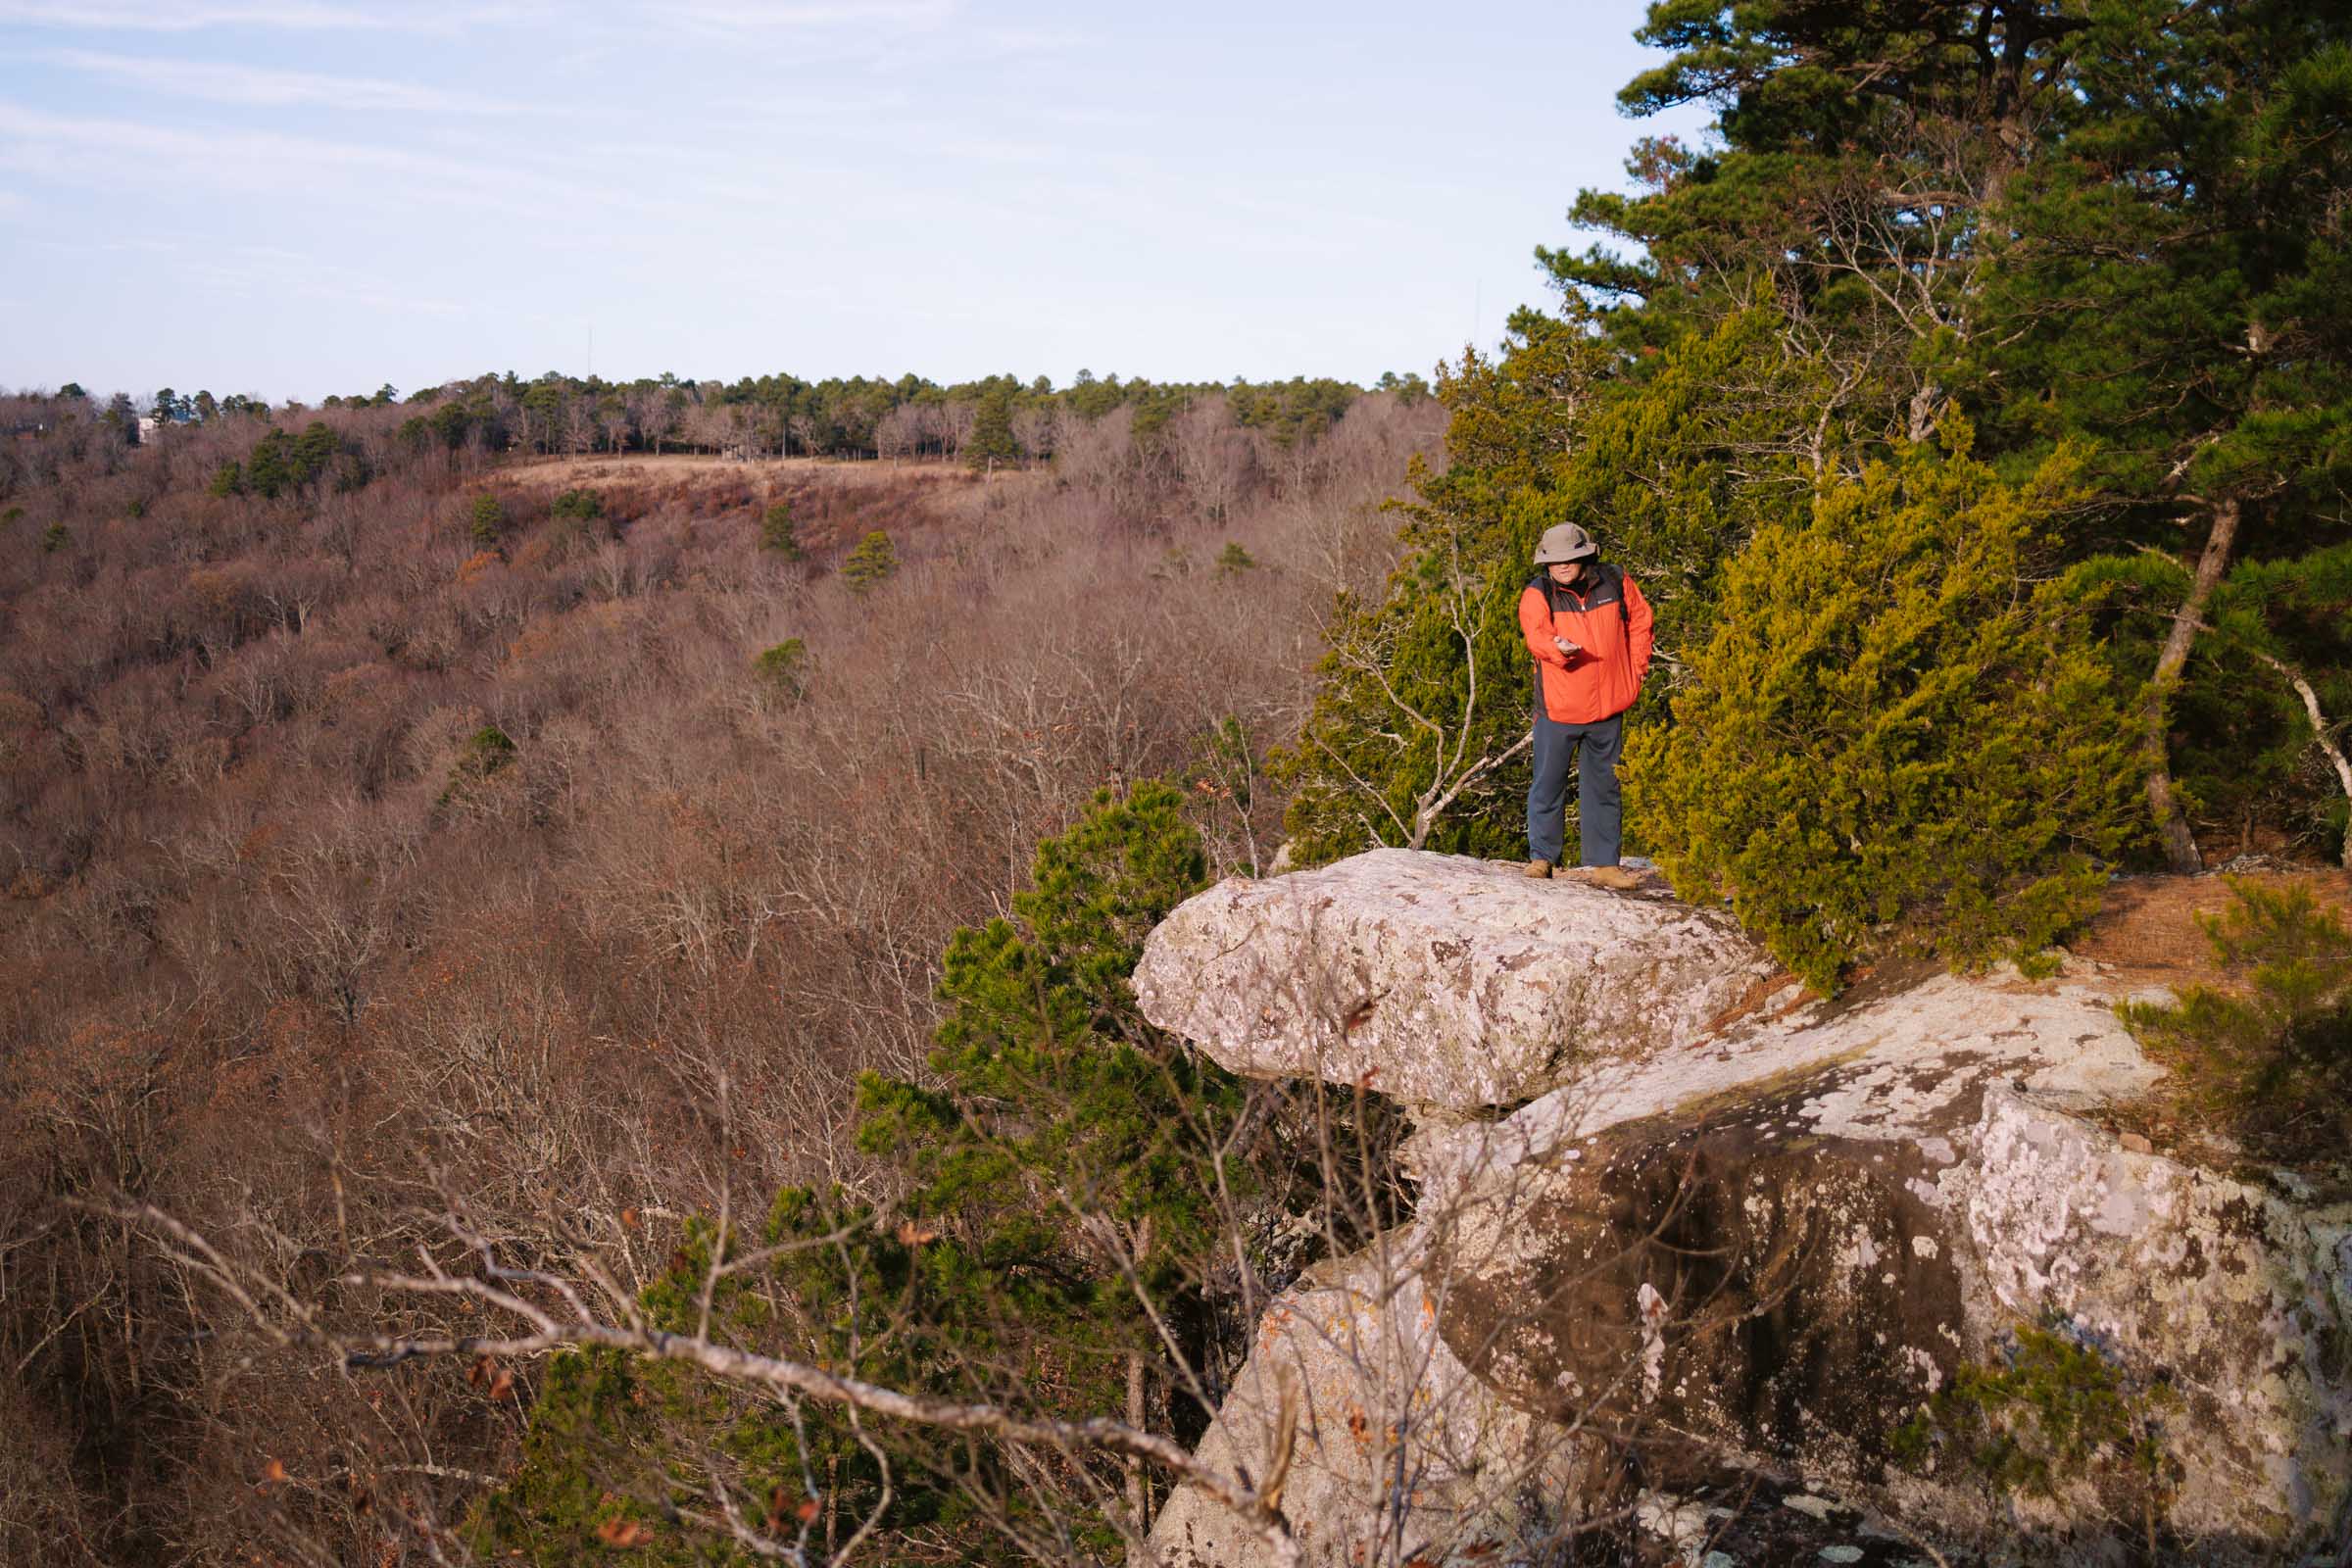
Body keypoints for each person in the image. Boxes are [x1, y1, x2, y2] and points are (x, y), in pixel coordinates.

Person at [1518, 521, 1653, 883]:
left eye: (1568, 558)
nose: (1561, 566)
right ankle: (1543, 859)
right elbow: (1536, 636)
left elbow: (1641, 622)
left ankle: (1605, 866)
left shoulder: (1615, 581)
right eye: (1553, 561)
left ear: (1585, 555)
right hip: (1558, 709)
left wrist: (1636, 671)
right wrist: (1556, 650)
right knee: (1548, 783)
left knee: (1605, 785)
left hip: (1609, 705)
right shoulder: (1538, 593)